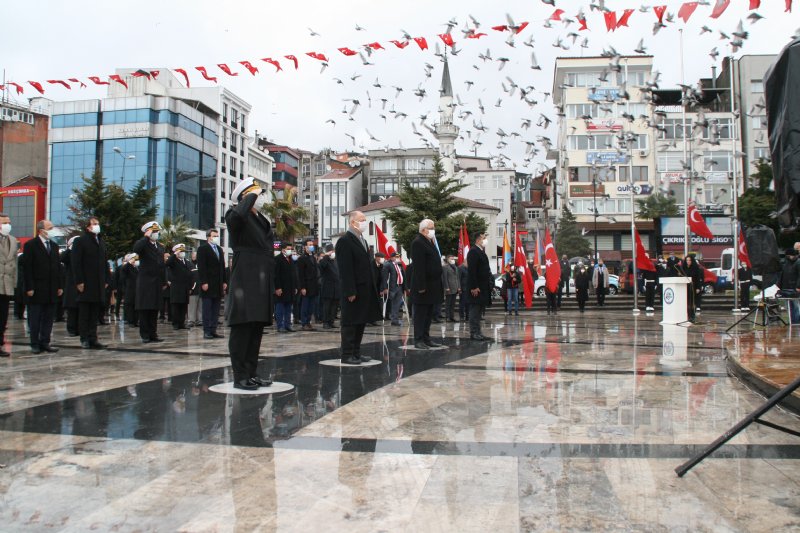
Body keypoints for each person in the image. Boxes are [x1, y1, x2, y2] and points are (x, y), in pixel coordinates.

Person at [225, 178, 275, 390]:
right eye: (257, 195)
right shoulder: (235, 215)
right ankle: (240, 376)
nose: (261, 198)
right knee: (243, 327)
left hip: (261, 278)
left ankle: (251, 372)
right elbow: (236, 217)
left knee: (256, 328)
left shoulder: (260, 219)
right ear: (246, 197)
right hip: (245, 277)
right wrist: (249, 196)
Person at [335, 211, 381, 364]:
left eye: (365, 219)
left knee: (360, 321)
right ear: (352, 222)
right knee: (350, 323)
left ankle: (356, 352)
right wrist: (350, 290)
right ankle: (347, 354)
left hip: (365, 289)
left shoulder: (363, 240)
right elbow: (345, 269)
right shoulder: (345, 241)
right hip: (353, 290)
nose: (364, 222)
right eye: (362, 219)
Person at [22, 220, 62, 354]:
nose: (52, 230)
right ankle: (34, 343)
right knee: (35, 318)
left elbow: (58, 267)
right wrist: (29, 287)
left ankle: (45, 342)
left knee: (48, 318)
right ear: (41, 230)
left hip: (51, 288)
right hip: (37, 288)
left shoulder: (54, 246)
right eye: (50, 228)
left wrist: (59, 285)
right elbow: (27, 268)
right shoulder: (31, 245)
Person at [71, 216, 109, 349]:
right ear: (88, 227)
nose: (97, 225)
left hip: (98, 283)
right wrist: (79, 281)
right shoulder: (81, 241)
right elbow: (76, 263)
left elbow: (104, 262)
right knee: (85, 312)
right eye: (94, 224)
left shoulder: (101, 241)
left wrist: (106, 279)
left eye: (98, 223)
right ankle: (84, 338)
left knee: (94, 313)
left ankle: (93, 338)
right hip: (86, 282)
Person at [410, 219, 444, 350]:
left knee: (428, 314)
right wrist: (421, 286)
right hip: (423, 287)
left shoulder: (430, 241)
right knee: (420, 315)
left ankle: (426, 338)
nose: (433, 230)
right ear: (423, 229)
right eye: (431, 228)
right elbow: (419, 267)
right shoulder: (418, 242)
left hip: (433, 286)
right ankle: (418, 339)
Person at [133, 221, 167, 343]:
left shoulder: (161, 246)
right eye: (154, 231)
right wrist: (145, 237)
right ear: (147, 232)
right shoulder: (143, 244)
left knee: (154, 309)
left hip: (157, 281)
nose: (156, 234)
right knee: (145, 309)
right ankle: (145, 334)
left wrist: (164, 281)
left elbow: (162, 265)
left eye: (157, 231)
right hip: (146, 281)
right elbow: (136, 249)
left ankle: (153, 334)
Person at [196, 228, 227, 340]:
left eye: (217, 235)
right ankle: (207, 331)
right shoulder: (202, 249)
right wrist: (204, 282)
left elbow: (222, 266)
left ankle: (213, 330)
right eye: (214, 235)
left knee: (215, 309)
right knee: (207, 309)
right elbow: (202, 267)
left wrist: (224, 281)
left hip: (218, 284)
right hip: (208, 284)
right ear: (209, 236)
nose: (216, 238)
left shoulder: (219, 249)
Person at [466, 232, 492, 340]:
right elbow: (472, 271)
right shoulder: (473, 251)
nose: (485, 240)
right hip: (476, 287)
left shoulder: (481, 251)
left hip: (483, 286)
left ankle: (479, 332)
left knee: (479, 311)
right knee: (475, 311)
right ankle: (474, 332)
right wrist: (474, 286)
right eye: (483, 238)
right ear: (478, 240)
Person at [0, 213, 18, 356]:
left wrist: (15, 283)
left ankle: (0, 344)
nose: (8, 225)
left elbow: (15, 264)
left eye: (9, 222)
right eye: (4, 222)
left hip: (7, 284)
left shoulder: (12, 240)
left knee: (3, 316)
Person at [166, 243, 193, 330]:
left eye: (183, 251)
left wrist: (190, 287)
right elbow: (168, 263)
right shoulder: (173, 261)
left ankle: (182, 323)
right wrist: (174, 254)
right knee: (176, 306)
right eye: (181, 251)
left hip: (185, 287)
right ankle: (176, 324)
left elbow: (190, 274)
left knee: (183, 306)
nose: (183, 253)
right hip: (176, 288)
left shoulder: (187, 262)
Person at [274, 242, 298, 333]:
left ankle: (287, 325)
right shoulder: (278, 259)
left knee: (288, 308)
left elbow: (294, 274)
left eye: (291, 249)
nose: (290, 250)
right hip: (282, 288)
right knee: (280, 307)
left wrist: (295, 286)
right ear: (283, 249)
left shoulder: (291, 259)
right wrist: (278, 287)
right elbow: (276, 275)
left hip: (290, 288)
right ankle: (280, 325)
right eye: (288, 249)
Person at [297, 239, 320, 331]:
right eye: (309, 245)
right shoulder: (302, 258)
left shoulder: (313, 258)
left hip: (314, 285)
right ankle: (304, 323)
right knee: (305, 305)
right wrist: (302, 287)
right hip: (306, 285)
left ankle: (308, 322)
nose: (311, 246)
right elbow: (301, 274)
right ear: (305, 247)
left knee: (311, 306)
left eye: (312, 244)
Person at [319, 244, 339, 329]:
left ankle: (331, 322)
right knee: (327, 306)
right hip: (327, 287)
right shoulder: (324, 260)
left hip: (336, 287)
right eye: (332, 251)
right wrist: (326, 256)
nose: (334, 253)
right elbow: (322, 265)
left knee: (334, 306)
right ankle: (326, 322)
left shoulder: (335, 261)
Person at [382, 252, 406, 326]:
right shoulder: (388, 265)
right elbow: (385, 277)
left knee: (397, 304)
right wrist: (385, 287)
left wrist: (404, 287)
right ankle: (389, 317)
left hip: (399, 286)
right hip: (392, 287)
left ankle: (395, 320)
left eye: (398, 257)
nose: (398, 258)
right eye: (396, 257)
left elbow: (403, 276)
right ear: (392, 257)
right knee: (390, 303)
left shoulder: (399, 265)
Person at [119, 254, 139, 327]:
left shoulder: (136, 267)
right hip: (129, 289)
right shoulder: (126, 267)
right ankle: (130, 321)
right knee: (130, 306)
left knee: (136, 306)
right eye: (133, 259)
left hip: (136, 289)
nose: (135, 260)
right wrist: (129, 263)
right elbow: (123, 274)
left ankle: (135, 321)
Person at [683, 254, 703, 321]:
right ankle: (687, 315)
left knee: (692, 302)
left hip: (693, 286)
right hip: (685, 287)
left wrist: (698, 287)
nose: (688, 261)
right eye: (687, 260)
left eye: (689, 260)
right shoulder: (684, 268)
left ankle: (692, 315)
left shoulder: (695, 268)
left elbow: (698, 278)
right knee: (687, 302)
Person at [440, 255, 460, 322]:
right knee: (448, 303)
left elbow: (457, 278)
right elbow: (444, 278)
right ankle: (447, 317)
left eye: (453, 259)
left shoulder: (455, 267)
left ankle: (452, 316)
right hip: (449, 288)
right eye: (451, 259)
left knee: (453, 304)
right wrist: (446, 287)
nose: (452, 260)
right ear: (447, 259)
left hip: (455, 287)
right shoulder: (445, 267)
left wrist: (459, 287)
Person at [187, 251, 201, 327]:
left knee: (200, 307)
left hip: (200, 289)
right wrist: (190, 287)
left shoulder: (200, 264)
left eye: (196, 255)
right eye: (194, 255)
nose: (195, 256)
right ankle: (191, 320)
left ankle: (199, 320)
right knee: (192, 306)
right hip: (192, 289)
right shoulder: (189, 264)